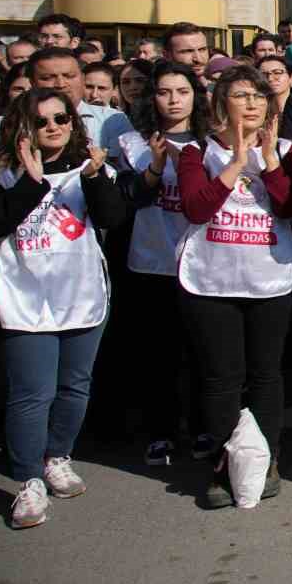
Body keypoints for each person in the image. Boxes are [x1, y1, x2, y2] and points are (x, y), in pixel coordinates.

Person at [0, 89, 130, 528]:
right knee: (32, 393)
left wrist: (96, 178)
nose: (53, 127)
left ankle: (57, 456)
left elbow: (112, 218)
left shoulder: (90, 167)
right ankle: (28, 481)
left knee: (74, 386)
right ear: (23, 126)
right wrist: (30, 181)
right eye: (41, 120)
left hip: (81, 293)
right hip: (23, 296)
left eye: (61, 118)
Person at [175, 64, 292, 509]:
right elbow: (195, 208)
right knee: (221, 378)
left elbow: (289, 207)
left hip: (269, 278)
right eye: (241, 95)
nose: (252, 104)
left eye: (259, 96)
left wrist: (270, 162)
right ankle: (224, 461)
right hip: (212, 280)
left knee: (266, 374)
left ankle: (266, 459)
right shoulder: (196, 151)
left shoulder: (284, 149)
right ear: (219, 104)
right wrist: (235, 165)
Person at [119, 62, 211, 467]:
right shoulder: (132, 143)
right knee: (159, 355)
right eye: (164, 92)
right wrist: (155, 167)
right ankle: (161, 431)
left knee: (202, 351)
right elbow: (130, 198)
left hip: (203, 262)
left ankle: (203, 426)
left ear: (195, 96)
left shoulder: (212, 141)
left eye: (182, 91)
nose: (174, 100)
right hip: (153, 259)